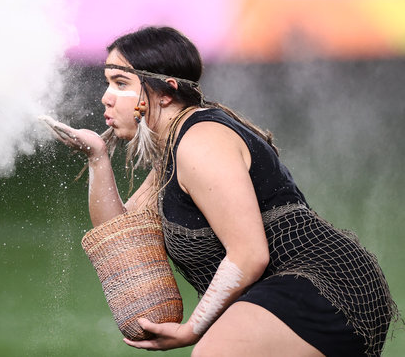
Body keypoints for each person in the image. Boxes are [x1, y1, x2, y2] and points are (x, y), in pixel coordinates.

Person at [42, 26, 398, 356]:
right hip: (292, 290)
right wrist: (98, 159)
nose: (106, 98)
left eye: (121, 83)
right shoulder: (173, 151)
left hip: (327, 285)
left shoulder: (200, 143)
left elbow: (248, 255)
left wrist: (193, 328)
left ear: (164, 93)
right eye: (108, 83)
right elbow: (122, 243)